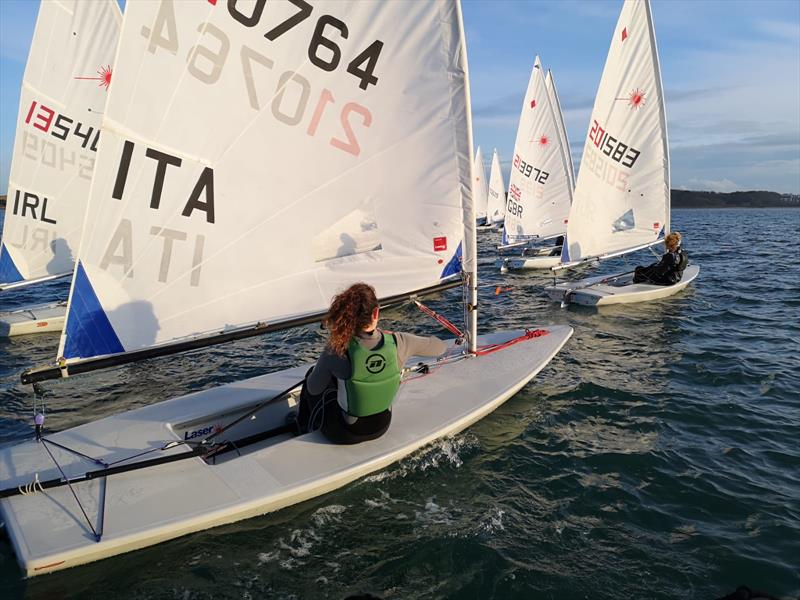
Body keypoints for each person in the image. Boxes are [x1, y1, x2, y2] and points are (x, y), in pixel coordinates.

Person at [296, 283, 447, 444]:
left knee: (312, 375)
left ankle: (302, 426)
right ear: (376, 313)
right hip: (382, 427)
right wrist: (399, 338)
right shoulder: (399, 342)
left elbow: (313, 389)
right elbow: (440, 348)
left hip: (345, 433)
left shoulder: (336, 350)